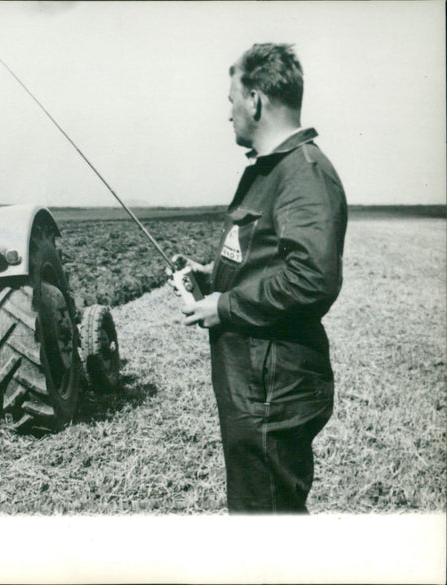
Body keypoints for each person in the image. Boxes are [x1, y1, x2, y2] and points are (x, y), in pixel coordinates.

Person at [176, 43, 348, 513]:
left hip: (272, 388)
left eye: (232, 101)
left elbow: (312, 278)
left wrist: (224, 306)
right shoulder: (271, 170)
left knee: (267, 522)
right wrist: (215, 276)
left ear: (254, 100)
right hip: (255, 382)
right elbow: (267, 256)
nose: (228, 113)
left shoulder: (303, 174)